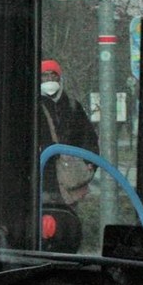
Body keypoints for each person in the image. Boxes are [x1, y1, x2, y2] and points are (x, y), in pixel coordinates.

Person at [37, 59, 100, 205]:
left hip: (71, 183)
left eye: (54, 76)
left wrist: (89, 162)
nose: (50, 80)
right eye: (45, 76)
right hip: (42, 180)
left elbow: (89, 137)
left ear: (60, 78)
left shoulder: (73, 106)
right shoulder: (33, 106)